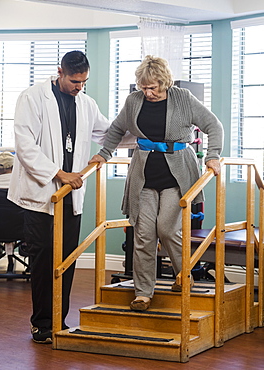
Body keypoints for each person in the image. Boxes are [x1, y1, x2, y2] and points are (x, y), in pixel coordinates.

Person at [89, 55, 224, 312]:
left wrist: (213, 156)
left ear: (164, 82)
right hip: (144, 178)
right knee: (142, 235)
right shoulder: (134, 101)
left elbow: (214, 126)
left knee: (167, 229)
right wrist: (104, 154)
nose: (148, 92)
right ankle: (143, 293)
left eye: (153, 87)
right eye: (144, 87)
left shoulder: (183, 98)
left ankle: (185, 274)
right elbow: (116, 130)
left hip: (178, 177)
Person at [8, 50, 110, 343]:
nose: (79, 87)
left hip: (71, 197)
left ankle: (59, 321)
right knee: (43, 262)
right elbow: (25, 145)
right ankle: (41, 323)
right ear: (60, 72)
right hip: (40, 195)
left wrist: (148, 134)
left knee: (66, 260)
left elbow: (108, 133)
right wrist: (58, 173)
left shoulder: (87, 103)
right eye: (75, 81)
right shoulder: (33, 97)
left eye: (84, 82)